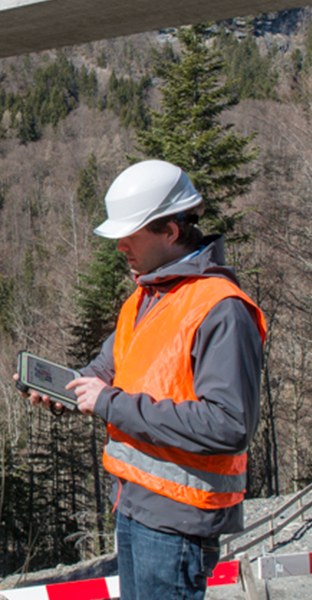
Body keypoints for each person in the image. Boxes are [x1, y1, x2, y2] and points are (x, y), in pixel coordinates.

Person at [22, 160, 265, 600]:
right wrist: (72, 390)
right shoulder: (146, 296)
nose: (120, 248)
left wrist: (110, 404)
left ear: (170, 231)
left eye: (130, 236)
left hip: (178, 517)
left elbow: (229, 424)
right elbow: (108, 368)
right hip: (133, 504)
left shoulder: (221, 309)